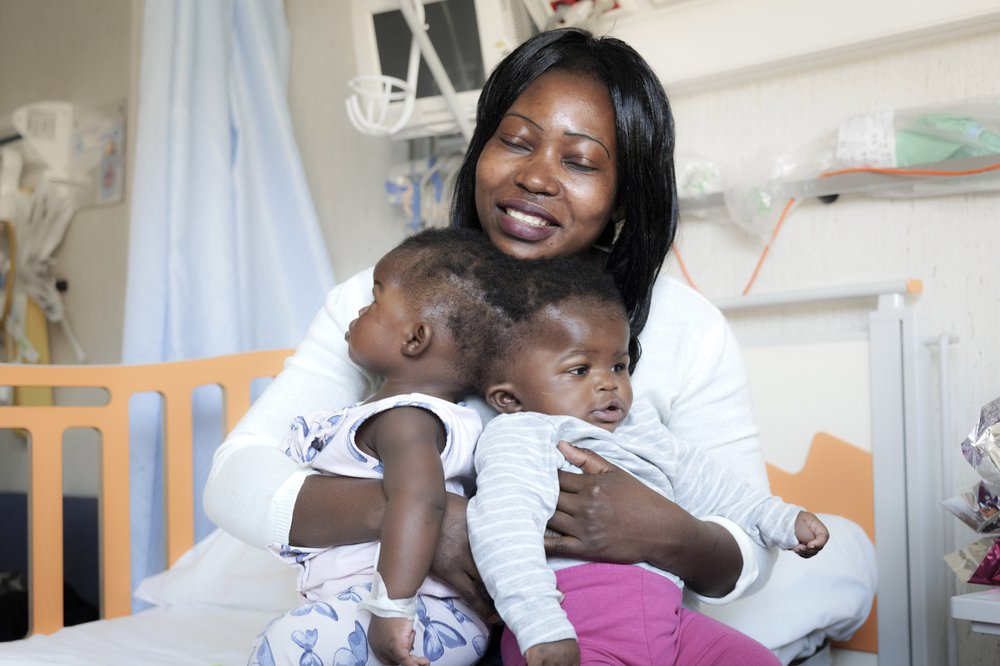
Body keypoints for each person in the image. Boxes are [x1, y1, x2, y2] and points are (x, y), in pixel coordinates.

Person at [206, 27, 874, 664]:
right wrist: (421, 517)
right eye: (516, 142)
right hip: (426, 624)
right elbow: (236, 478)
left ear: (621, 200)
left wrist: (669, 532)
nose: (536, 176)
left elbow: (748, 545)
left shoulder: (686, 329)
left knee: (819, 576)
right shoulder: (392, 300)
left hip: (605, 620)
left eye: (580, 161)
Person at [466, 256, 828, 666]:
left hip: (668, 623)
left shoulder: (645, 434)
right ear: (508, 399)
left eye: (619, 365)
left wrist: (782, 519)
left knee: (755, 660)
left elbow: (720, 490)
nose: (609, 382)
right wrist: (540, 625)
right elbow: (501, 530)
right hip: (575, 628)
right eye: (580, 369)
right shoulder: (523, 434)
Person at [248, 229, 500, 666]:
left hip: (421, 613)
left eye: (376, 299)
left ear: (415, 339)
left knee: (284, 646)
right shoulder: (414, 414)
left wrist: (392, 609)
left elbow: (421, 500)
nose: (362, 309)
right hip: (412, 610)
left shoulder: (406, 418)